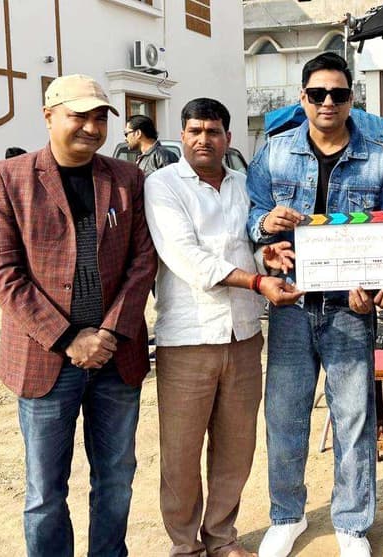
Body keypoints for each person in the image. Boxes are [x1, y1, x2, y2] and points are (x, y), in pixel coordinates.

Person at [0, 74, 157, 556]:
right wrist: (68, 338)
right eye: (79, 116)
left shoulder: (127, 179)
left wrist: (108, 333)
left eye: (100, 118)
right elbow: (0, 270)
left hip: (115, 359)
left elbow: (143, 262)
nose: (91, 127)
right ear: (48, 116)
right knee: (44, 491)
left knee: (116, 479)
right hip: (45, 361)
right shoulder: (7, 178)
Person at [246, 52, 383, 557]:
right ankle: (287, 515)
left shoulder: (378, 159)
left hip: (350, 310)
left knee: (353, 417)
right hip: (290, 302)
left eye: (338, 93)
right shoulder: (274, 152)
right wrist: (264, 227)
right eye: (317, 93)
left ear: (351, 99)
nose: (327, 102)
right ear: (303, 97)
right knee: (285, 416)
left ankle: (352, 522)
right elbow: (251, 212)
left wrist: (379, 284)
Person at [144, 97, 302, 557]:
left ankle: (221, 537)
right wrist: (256, 280)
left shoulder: (242, 184)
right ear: (182, 135)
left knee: (236, 446)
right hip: (188, 337)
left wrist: (265, 258)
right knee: (181, 450)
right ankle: (184, 545)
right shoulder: (162, 185)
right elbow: (187, 258)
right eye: (194, 131)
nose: (203, 139)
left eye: (212, 131)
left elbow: (246, 246)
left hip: (243, 334)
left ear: (227, 138)